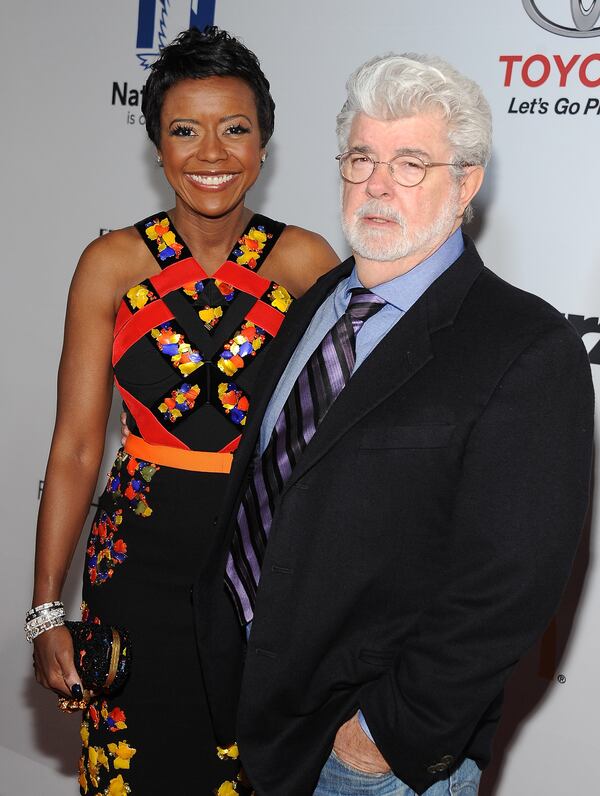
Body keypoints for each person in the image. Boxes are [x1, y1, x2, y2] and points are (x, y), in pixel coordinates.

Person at [192, 53, 595, 795]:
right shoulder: (317, 303)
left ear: (466, 183)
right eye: (363, 157)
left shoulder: (526, 347)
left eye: (411, 163)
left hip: (371, 758)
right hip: (260, 718)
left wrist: (380, 739)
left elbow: (507, 587)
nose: (377, 183)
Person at [29, 26, 339, 795]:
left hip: (261, 562)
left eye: (235, 129)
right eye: (184, 130)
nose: (211, 153)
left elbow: (342, 444)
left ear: (264, 144)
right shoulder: (110, 265)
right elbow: (74, 448)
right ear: (157, 146)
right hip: (134, 567)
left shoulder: (305, 263)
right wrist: (44, 611)